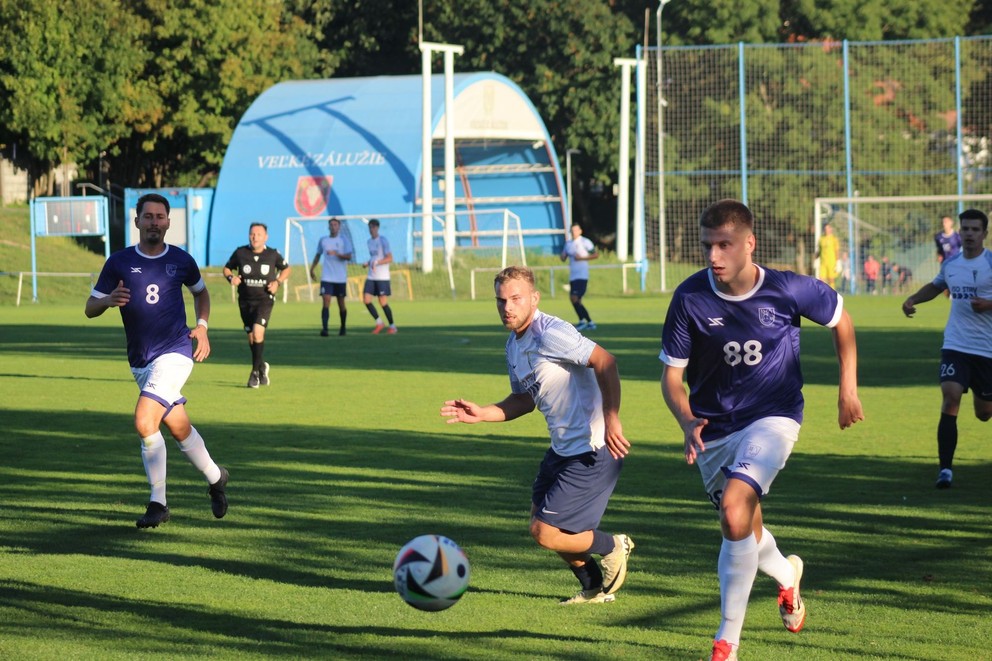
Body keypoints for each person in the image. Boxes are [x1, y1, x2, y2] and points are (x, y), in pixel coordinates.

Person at [659, 199, 863, 661]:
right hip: (712, 428)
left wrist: (847, 388)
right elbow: (672, 378)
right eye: (708, 245)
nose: (714, 255)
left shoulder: (789, 289)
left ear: (749, 244)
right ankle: (788, 577)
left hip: (774, 416)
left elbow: (841, 320)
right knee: (744, 529)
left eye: (724, 244)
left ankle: (726, 642)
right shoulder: (690, 298)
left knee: (734, 510)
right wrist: (687, 419)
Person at [440, 266, 634, 605]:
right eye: (501, 301)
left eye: (515, 299)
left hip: (594, 448)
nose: (507, 308)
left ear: (534, 298)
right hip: (562, 448)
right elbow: (524, 399)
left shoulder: (551, 333)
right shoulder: (513, 346)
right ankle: (592, 588)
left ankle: (613, 546)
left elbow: (605, 361)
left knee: (546, 532)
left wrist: (612, 417)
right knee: (542, 523)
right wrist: (483, 413)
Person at [85, 193, 229, 529]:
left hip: (176, 352)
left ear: (168, 222)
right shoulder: (118, 262)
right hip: (140, 361)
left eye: (160, 216)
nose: (154, 222)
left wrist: (203, 327)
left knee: (144, 420)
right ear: (137, 221)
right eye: (147, 216)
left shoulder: (181, 260)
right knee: (177, 427)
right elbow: (89, 309)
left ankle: (158, 502)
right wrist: (107, 300)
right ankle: (216, 477)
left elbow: (201, 292)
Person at [902, 208, 992, 489]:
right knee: (951, 396)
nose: (969, 234)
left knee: (984, 412)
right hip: (956, 344)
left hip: (987, 350)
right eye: (965, 229)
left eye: (975, 230)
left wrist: (988, 305)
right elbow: (936, 285)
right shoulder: (952, 264)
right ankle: (945, 470)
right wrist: (913, 298)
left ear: (984, 234)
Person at [223, 222, 292, 388]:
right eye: (252, 234)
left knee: (258, 332)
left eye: (259, 234)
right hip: (245, 301)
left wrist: (278, 282)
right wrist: (232, 278)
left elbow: (286, 269)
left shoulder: (273, 254)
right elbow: (226, 269)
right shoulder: (240, 253)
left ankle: (254, 373)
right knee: (251, 337)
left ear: (265, 237)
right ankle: (261, 366)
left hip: (265, 300)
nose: (255, 237)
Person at [309, 218, 353, 336]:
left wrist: (337, 254)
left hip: (340, 278)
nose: (333, 227)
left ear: (339, 227)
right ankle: (325, 329)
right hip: (327, 277)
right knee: (326, 300)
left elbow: (349, 257)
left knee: (341, 303)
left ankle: (343, 327)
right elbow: (318, 255)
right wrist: (312, 268)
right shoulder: (323, 240)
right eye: (331, 225)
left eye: (335, 225)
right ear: (328, 227)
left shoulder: (344, 240)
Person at [362, 218, 397, 334]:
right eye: (370, 227)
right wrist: (368, 263)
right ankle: (379, 323)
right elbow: (373, 257)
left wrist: (377, 263)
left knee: (382, 302)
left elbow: (389, 258)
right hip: (372, 276)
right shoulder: (369, 242)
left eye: (373, 227)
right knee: (366, 300)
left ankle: (392, 326)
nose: (371, 230)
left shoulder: (383, 241)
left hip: (382, 277)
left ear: (377, 228)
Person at [560, 223, 598, 330]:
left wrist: (582, 258)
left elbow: (595, 255)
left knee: (574, 298)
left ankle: (585, 321)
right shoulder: (568, 244)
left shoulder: (585, 242)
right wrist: (562, 256)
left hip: (582, 275)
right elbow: (563, 257)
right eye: (572, 230)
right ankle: (589, 323)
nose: (574, 232)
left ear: (580, 231)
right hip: (573, 276)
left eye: (576, 230)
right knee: (577, 301)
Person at [815, 223, 840, 289]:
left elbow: (836, 251)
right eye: (825, 229)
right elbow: (819, 251)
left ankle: (832, 294)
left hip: (831, 262)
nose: (827, 230)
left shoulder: (834, 239)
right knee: (821, 279)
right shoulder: (821, 239)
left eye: (828, 228)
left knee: (831, 279)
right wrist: (815, 259)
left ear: (831, 229)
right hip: (823, 263)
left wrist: (838, 262)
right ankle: (822, 295)